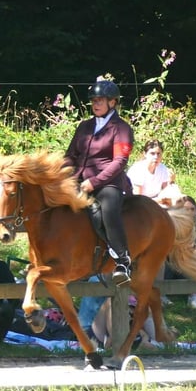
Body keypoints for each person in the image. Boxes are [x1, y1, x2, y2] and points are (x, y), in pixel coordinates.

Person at [64, 79, 134, 286]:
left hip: (108, 183)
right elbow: (71, 154)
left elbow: (119, 162)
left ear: (112, 102)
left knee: (108, 210)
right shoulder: (85, 126)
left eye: (100, 100)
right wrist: (62, 172)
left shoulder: (121, 128)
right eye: (93, 100)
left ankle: (123, 261)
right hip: (78, 180)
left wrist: (94, 182)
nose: (95, 104)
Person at [126, 139, 176, 204]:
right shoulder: (138, 170)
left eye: (158, 154)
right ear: (145, 154)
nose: (156, 157)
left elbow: (166, 192)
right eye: (152, 153)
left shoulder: (163, 169)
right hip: (135, 202)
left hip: (155, 200)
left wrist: (171, 181)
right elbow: (138, 198)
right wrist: (159, 201)